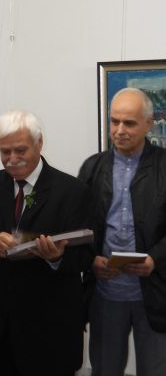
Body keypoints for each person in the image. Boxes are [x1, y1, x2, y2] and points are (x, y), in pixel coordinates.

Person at [0, 110, 93, 376]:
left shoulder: (73, 191)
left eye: (20, 150)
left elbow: (86, 255)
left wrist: (56, 257)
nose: (12, 159)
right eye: (4, 151)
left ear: (39, 144)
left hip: (49, 338)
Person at [78, 87, 166, 376]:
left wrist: (154, 258)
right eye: (114, 121)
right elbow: (78, 227)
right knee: (104, 369)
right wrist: (90, 260)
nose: (119, 130)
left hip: (155, 294)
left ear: (148, 124)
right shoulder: (93, 167)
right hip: (105, 293)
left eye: (129, 123)